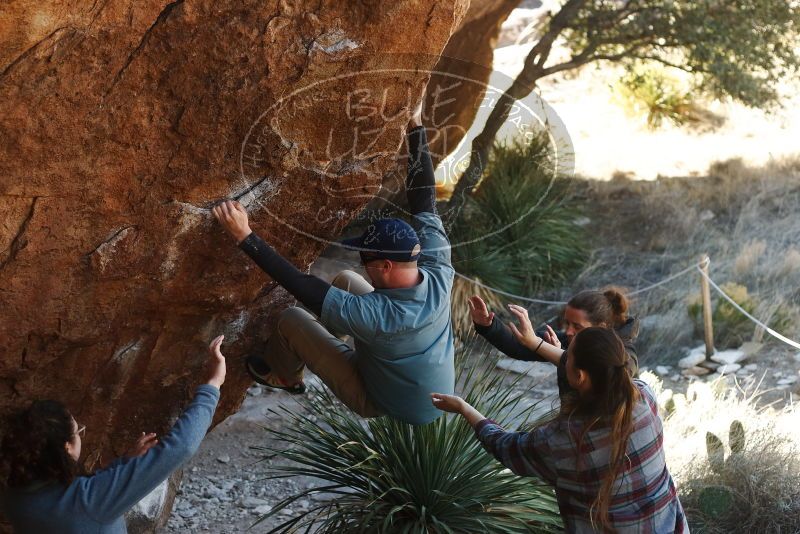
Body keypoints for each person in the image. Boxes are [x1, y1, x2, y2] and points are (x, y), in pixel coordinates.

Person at [212, 105, 454, 426]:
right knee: (346, 280)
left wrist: (245, 237)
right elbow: (424, 198)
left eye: (365, 260)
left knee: (293, 319)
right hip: (430, 391)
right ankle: (326, 340)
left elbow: (303, 287)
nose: (362, 265)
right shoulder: (437, 265)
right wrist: (416, 124)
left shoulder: (381, 318)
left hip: (384, 400)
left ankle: (285, 375)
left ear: (384, 266)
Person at [431, 327, 688, 533]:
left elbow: (506, 447)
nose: (563, 354)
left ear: (579, 377)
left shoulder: (562, 440)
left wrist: (465, 408)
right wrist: (536, 344)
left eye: (568, 353)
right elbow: (589, 368)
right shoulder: (644, 395)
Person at [0, 336, 226, 533]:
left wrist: (124, 465)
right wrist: (212, 386)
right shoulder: (91, 502)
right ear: (66, 447)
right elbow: (181, 446)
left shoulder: (14, 498)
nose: (81, 435)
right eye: (78, 432)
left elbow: (79, 498)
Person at [470, 287, 639, 395]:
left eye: (577, 326)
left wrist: (553, 352)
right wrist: (488, 326)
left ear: (601, 327)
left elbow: (603, 376)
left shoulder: (625, 355)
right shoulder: (571, 339)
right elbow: (520, 345)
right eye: (567, 323)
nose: (568, 331)